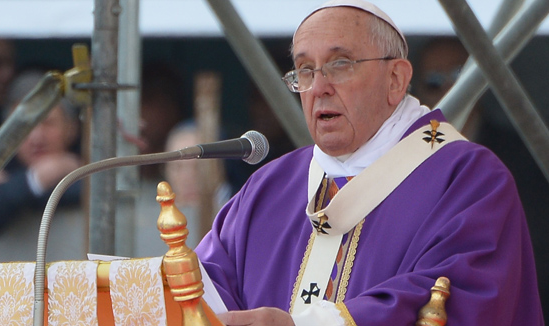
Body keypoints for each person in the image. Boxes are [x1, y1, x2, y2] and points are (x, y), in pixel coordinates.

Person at [194, 1, 544, 325]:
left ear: (396, 79)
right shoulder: (269, 188)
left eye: (340, 64)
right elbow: (202, 288)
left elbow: (458, 296)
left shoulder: (467, 178)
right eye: (304, 70)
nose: (319, 87)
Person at [0, 70, 82, 234]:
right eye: (25, 126)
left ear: (71, 129)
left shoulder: (88, 158)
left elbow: (91, 194)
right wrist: (35, 179)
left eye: (48, 123)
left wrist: (10, 189)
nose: (36, 137)